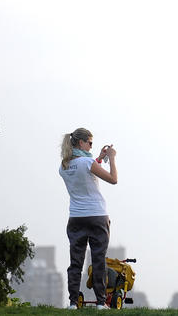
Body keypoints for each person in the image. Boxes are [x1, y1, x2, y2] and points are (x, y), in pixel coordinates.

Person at [59, 127, 117, 309]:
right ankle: (101, 303)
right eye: (90, 143)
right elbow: (113, 179)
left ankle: (73, 303)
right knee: (98, 260)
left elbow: (85, 172)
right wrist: (112, 158)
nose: (91, 147)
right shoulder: (87, 162)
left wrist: (98, 158)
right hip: (97, 216)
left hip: (76, 218)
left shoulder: (64, 165)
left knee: (75, 261)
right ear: (81, 142)